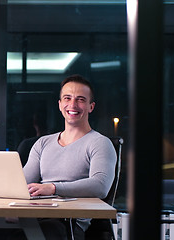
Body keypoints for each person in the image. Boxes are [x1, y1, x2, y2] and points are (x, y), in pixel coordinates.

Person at [22, 74, 117, 240]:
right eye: (67, 98)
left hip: (69, 224)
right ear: (60, 105)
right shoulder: (42, 143)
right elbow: (22, 182)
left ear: (91, 107)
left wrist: (53, 188)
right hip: (37, 214)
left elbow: (100, 186)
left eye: (80, 99)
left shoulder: (100, 143)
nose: (73, 105)